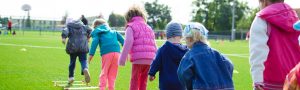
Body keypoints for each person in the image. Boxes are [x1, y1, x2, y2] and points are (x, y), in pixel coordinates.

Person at [249, 0, 300, 89]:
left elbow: (257, 54)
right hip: (294, 82)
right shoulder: (296, 18)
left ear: (263, 1)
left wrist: (257, 82)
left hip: (269, 84)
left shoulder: (262, 18)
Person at [177, 22, 234, 90]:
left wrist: (190, 86)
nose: (185, 41)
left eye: (185, 38)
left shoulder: (189, 56)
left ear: (190, 39)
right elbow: (230, 65)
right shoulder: (217, 54)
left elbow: (182, 73)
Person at [118, 5, 157, 90]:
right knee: (143, 81)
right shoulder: (149, 28)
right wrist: (156, 62)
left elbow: (128, 42)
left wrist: (122, 59)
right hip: (150, 60)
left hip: (138, 59)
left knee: (134, 80)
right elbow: (154, 44)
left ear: (128, 17)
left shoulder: (130, 26)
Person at [148, 22, 188, 90]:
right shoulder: (186, 51)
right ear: (180, 35)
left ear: (167, 35)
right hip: (182, 84)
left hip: (166, 84)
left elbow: (156, 62)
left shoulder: (163, 49)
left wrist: (152, 73)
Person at [88, 19, 124, 90]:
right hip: (117, 53)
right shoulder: (113, 31)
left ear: (96, 26)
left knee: (104, 72)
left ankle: (102, 88)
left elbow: (94, 43)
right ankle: (111, 88)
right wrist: (127, 51)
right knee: (112, 74)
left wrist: (91, 55)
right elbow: (123, 41)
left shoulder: (98, 32)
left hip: (107, 53)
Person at [61, 17, 92, 85]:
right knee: (83, 60)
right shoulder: (82, 25)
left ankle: (71, 77)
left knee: (72, 62)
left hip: (73, 47)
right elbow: (90, 30)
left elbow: (65, 31)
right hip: (83, 46)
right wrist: (88, 37)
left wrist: (63, 38)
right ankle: (85, 69)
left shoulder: (69, 26)